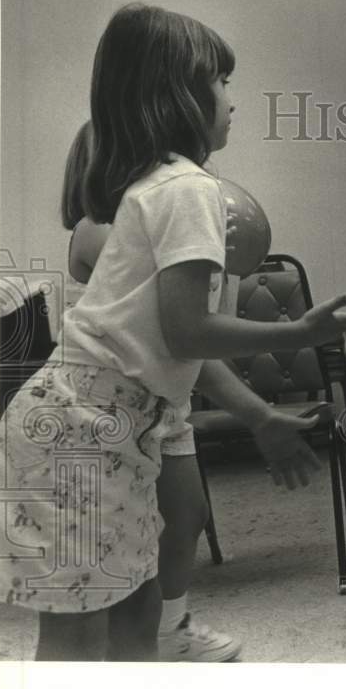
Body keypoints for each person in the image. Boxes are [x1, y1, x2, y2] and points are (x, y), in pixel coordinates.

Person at [0, 3, 346, 661]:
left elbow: (173, 341)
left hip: (107, 422)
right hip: (86, 427)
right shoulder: (189, 187)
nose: (233, 99)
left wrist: (259, 416)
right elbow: (189, 330)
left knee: (141, 602)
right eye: (221, 81)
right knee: (77, 635)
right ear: (179, 93)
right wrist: (299, 333)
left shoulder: (159, 186)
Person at [60, 121, 241, 661]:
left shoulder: (156, 216)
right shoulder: (99, 229)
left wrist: (215, 265)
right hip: (113, 402)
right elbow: (177, 327)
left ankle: (170, 630)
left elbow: (203, 327)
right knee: (124, 544)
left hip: (162, 401)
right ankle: (140, 643)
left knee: (187, 513)